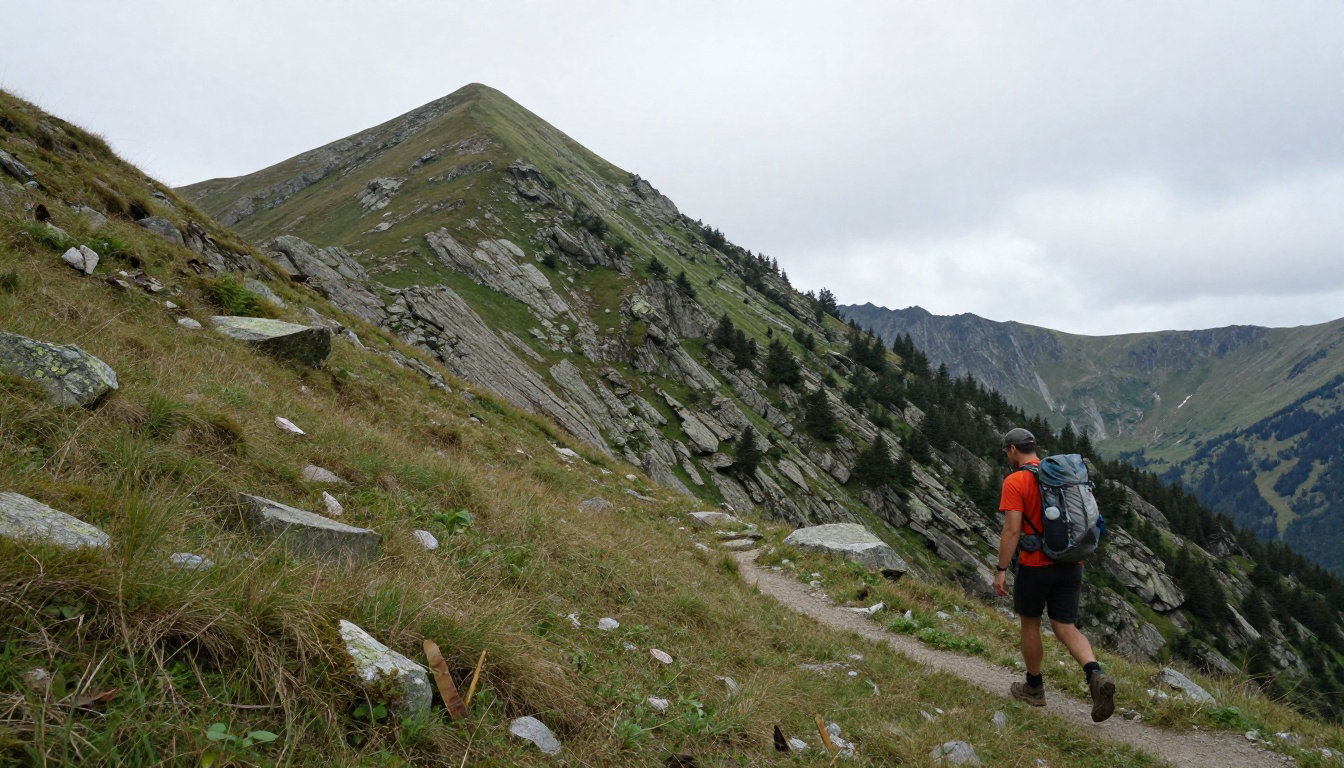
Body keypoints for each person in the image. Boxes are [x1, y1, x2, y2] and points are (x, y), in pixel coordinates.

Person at [994, 427, 1115, 722]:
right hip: (1072, 564)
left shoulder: (1016, 480)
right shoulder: (1062, 478)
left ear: (1012, 449)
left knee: (1031, 624)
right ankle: (1094, 674)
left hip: (1036, 565)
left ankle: (1034, 688)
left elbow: (1011, 531)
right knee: (1066, 627)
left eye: (1006, 452)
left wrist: (1000, 570)